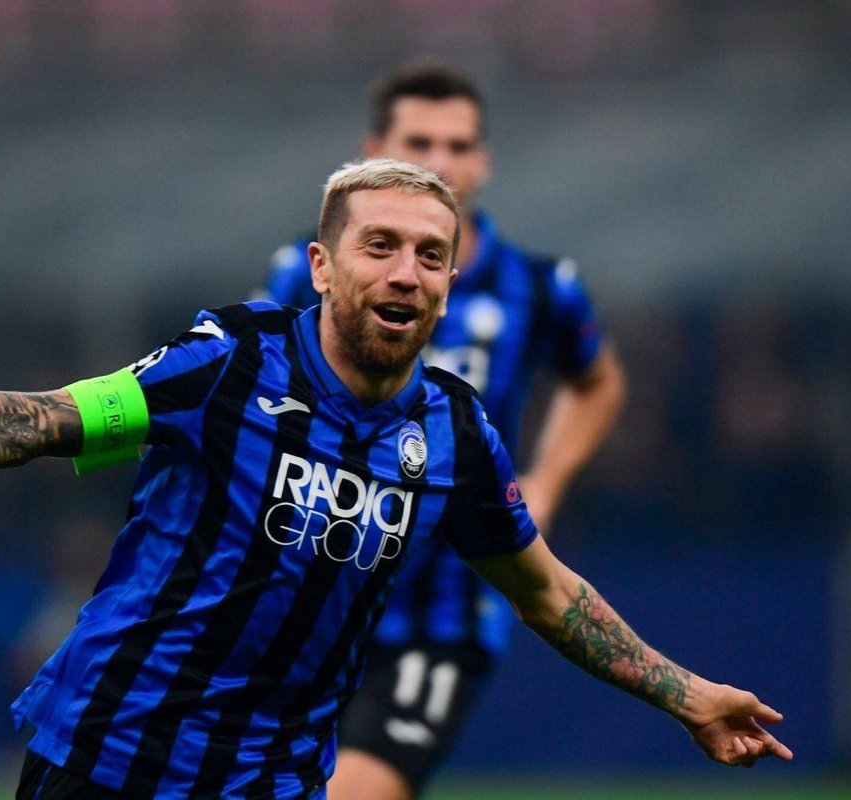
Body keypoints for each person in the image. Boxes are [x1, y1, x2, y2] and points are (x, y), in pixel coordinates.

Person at [0, 160, 788, 799]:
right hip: (111, 761)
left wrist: (688, 694)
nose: (405, 270)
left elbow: (546, 591)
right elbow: (41, 419)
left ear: (450, 284)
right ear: (323, 265)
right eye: (379, 245)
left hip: (271, 783)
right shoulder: (228, 362)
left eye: (429, 254)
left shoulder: (456, 431)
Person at [259, 66, 627, 799]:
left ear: (484, 160)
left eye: (458, 146)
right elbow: (256, 381)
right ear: (373, 153)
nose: (440, 162)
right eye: (418, 142)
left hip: (442, 613)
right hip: (310, 589)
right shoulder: (314, 270)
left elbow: (599, 381)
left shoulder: (538, 287)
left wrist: (545, 483)